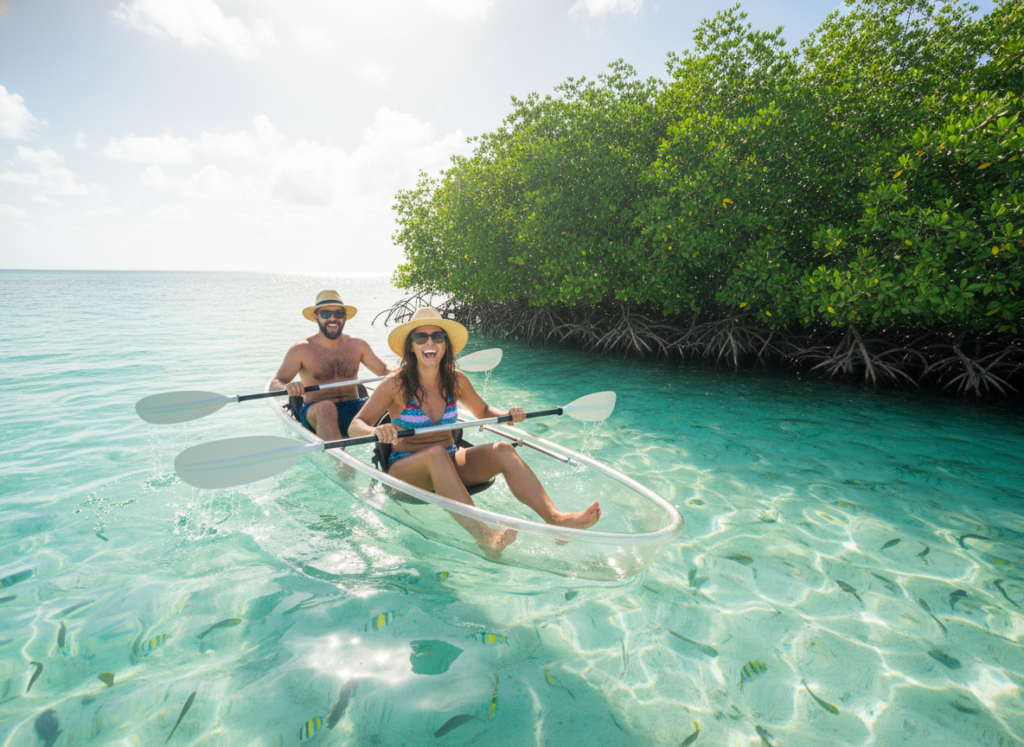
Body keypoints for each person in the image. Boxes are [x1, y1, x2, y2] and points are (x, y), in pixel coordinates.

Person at [348, 307, 601, 559]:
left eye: (438, 336)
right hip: (405, 474)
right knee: (435, 454)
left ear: (445, 345)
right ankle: (485, 537)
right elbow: (355, 425)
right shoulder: (395, 384)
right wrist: (377, 429)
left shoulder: (456, 380)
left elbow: (482, 411)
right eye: (421, 337)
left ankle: (556, 521)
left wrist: (508, 414)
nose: (430, 342)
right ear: (411, 346)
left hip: (447, 460)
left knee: (502, 449)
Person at [271, 290, 393, 441]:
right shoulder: (301, 349)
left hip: (354, 409)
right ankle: (339, 463)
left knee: (387, 399)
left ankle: (400, 451)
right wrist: (286, 387)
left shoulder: (358, 345)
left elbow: (384, 370)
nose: (333, 318)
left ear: (345, 317)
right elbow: (275, 383)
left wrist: (400, 372)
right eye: (325, 314)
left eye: (339, 313)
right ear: (316, 317)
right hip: (317, 412)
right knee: (326, 407)